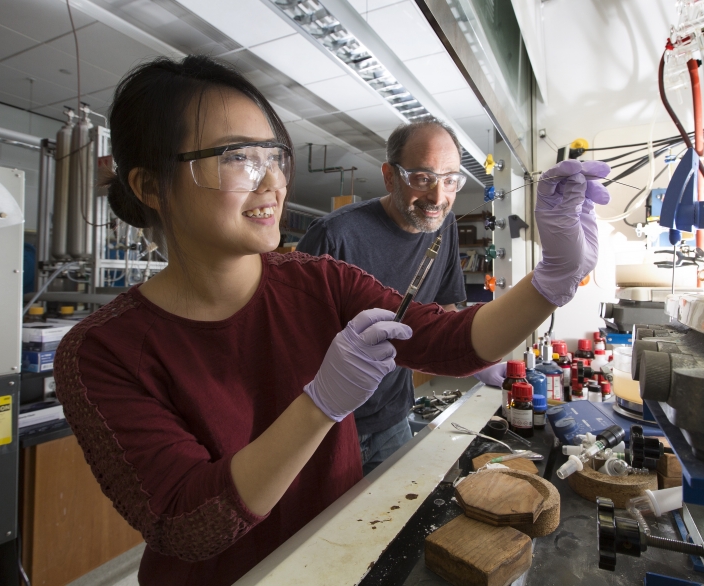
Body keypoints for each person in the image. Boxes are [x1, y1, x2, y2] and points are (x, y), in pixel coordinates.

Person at [53, 55, 609, 586]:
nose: (271, 182)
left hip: (337, 560)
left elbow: (449, 341)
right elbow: (188, 523)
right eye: (236, 158)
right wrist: (320, 404)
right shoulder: (101, 352)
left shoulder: (319, 281)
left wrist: (550, 281)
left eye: (273, 156)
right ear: (151, 187)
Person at [297, 120, 505, 475]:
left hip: (392, 415)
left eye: (450, 179)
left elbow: (448, 308)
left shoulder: (445, 224)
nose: (438, 197)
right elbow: (288, 342)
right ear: (390, 176)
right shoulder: (334, 236)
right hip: (326, 425)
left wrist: (478, 359)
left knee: (394, 523)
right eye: (422, 177)